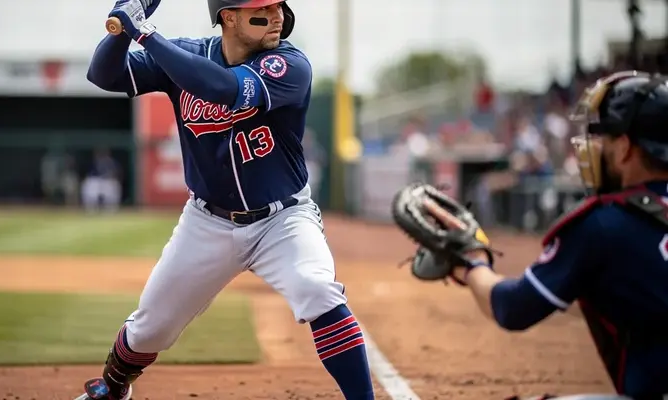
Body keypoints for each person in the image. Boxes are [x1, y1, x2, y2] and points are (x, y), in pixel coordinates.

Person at [75, 0, 375, 399]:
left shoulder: (289, 64)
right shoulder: (188, 54)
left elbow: (223, 87)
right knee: (150, 328)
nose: (276, 16)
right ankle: (113, 390)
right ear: (228, 17)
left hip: (283, 220)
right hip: (207, 222)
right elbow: (103, 74)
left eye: (278, 7)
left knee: (316, 289)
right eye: (261, 10)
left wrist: (143, 32)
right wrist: (121, 21)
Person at [422, 71, 668, 399]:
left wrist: (472, 263)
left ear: (624, 148)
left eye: (604, 139)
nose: (595, 148)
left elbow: (513, 307)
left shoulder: (604, 223)